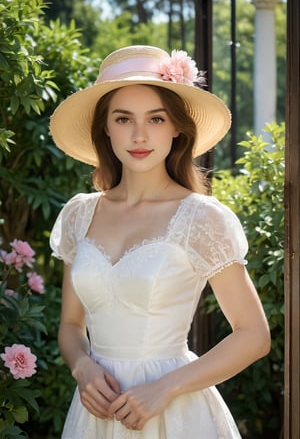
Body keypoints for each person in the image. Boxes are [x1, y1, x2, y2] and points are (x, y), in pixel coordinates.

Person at [49, 45, 271, 439]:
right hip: (95, 416)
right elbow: (70, 324)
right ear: (106, 127)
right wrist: (82, 367)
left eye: (155, 118)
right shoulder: (79, 215)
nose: (139, 135)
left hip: (177, 414)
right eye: (123, 119)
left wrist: (166, 387)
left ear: (176, 128)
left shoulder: (201, 218)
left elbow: (253, 334)